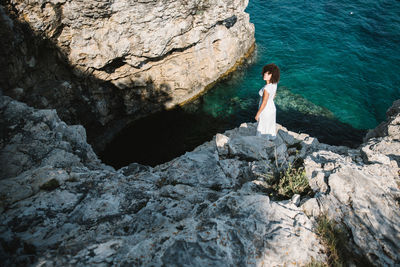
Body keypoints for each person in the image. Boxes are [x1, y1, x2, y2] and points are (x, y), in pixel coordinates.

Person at [255, 63, 280, 139]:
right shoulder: (274, 84)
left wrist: (257, 114)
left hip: (265, 110)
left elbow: (264, 102)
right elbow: (273, 95)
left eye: (268, 74)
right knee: (269, 125)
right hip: (272, 107)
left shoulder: (266, 88)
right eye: (265, 73)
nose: (265, 75)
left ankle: (263, 141)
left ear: (272, 76)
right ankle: (270, 138)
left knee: (262, 127)